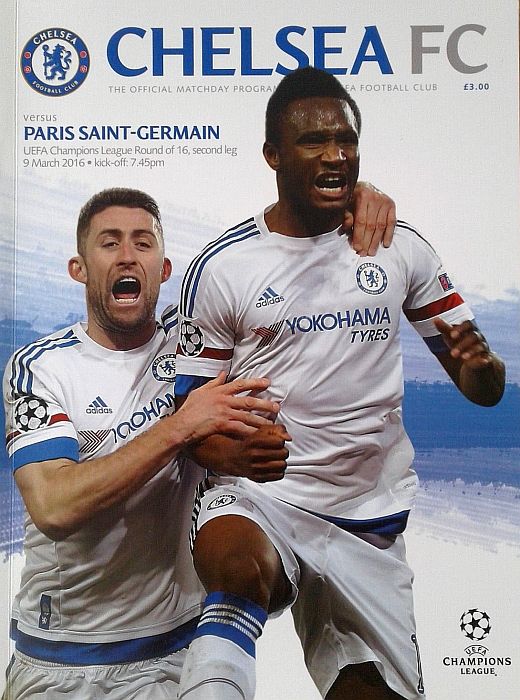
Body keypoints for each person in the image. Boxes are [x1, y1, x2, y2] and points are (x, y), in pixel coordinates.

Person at [174, 67, 505, 700]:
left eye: (346, 140)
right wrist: (228, 453)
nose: (335, 155)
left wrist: (480, 367)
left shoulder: (399, 247)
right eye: (314, 141)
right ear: (273, 155)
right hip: (263, 496)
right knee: (237, 569)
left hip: (368, 518)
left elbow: (481, 385)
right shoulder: (224, 267)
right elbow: (183, 418)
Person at [2, 183, 395, 700]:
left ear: (164, 269)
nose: (128, 255)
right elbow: (55, 506)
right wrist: (180, 426)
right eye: (109, 242)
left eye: (143, 243)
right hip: (60, 660)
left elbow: (287, 278)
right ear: (80, 268)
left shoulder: (198, 347)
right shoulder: (42, 368)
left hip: (174, 657)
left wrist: (341, 202)